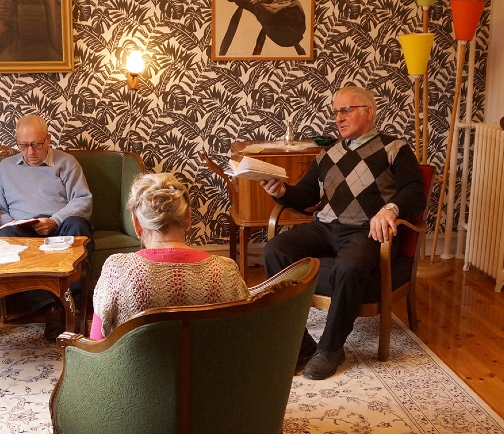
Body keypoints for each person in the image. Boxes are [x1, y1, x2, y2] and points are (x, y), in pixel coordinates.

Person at [260, 86, 426, 380]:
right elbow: (306, 196)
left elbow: (415, 191)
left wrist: (390, 209)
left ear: (368, 112)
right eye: (335, 111)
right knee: (274, 249)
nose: (338, 118)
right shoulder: (328, 154)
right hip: (324, 228)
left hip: (365, 231)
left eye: (346, 110)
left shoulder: (394, 148)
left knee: (349, 267)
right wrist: (283, 192)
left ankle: (330, 349)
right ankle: (301, 346)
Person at [90, 173, 249, 339]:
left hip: (138, 365)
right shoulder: (226, 271)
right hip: (210, 365)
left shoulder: (116, 271)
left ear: (137, 224)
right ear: (188, 217)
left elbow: (97, 346)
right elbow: (243, 336)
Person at [0, 114, 94, 339]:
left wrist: (55, 220)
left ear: (48, 139)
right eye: (24, 145)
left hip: (60, 226)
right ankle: (51, 308)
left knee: (78, 225)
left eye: (37, 145)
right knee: (7, 236)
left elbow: (83, 200)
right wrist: (12, 223)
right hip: (23, 230)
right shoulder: (5, 167)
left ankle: (75, 306)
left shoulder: (66, 162)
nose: (30, 152)